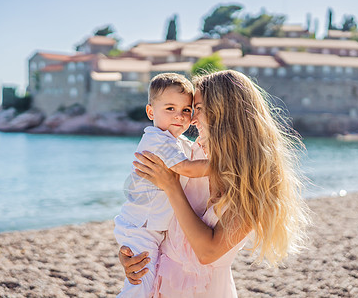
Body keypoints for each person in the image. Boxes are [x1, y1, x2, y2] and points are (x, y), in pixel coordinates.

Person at [120, 70, 309, 297]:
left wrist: (172, 187)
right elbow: (148, 209)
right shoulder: (190, 153)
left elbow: (207, 252)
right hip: (161, 281)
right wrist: (133, 252)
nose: (191, 118)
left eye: (196, 109)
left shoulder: (253, 182)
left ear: (223, 113)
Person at [114, 73, 209, 298]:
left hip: (149, 226)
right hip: (141, 226)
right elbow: (186, 168)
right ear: (150, 112)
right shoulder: (158, 139)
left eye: (186, 110)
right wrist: (227, 163)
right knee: (140, 284)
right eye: (170, 109)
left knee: (147, 282)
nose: (179, 116)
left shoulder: (176, 142)